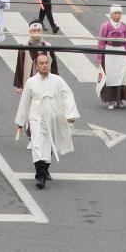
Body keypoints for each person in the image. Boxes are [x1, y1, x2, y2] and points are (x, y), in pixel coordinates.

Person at [14, 52, 79, 189]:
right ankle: (40, 175)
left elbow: (67, 96)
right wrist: (21, 121)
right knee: (37, 144)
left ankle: (45, 168)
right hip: (36, 116)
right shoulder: (30, 82)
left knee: (49, 144)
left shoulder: (57, 80)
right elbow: (25, 102)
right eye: (41, 63)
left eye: (46, 62)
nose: (44, 65)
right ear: (36, 66)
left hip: (54, 116)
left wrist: (70, 114)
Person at [95, 5, 126, 109]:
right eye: (115, 13)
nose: (117, 15)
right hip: (109, 53)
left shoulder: (124, 26)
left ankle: (120, 99)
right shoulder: (105, 26)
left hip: (121, 53)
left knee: (123, 77)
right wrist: (99, 57)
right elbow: (101, 42)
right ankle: (111, 100)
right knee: (110, 77)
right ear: (111, 14)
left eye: (119, 13)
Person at [13, 22, 60, 92]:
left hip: (46, 83)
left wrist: (57, 82)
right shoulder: (24, 48)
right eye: (34, 31)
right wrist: (18, 85)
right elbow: (19, 66)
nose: (36, 33)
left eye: (38, 30)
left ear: (42, 31)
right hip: (30, 83)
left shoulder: (48, 46)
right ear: (30, 32)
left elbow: (54, 66)